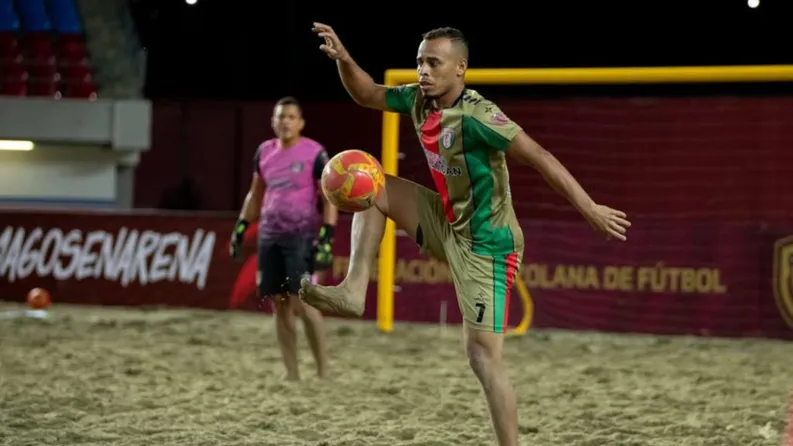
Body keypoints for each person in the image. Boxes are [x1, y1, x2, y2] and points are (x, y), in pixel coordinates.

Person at [301, 24, 632, 446]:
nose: (423, 71)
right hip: (448, 223)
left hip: (488, 249)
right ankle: (353, 290)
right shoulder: (418, 100)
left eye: (433, 63)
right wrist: (344, 58)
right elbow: (367, 93)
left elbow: (541, 157)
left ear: (460, 68)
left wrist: (590, 209)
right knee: (370, 182)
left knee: (482, 357)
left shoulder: (479, 116)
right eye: (419, 62)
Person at [230, 96, 338, 381]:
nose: (285, 122)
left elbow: (328, 197)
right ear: (272, 122)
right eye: (281, 117)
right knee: (278, 304)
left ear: (301, 123)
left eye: (291, 117)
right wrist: (241, 227)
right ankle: (292, 374)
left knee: (303, 303)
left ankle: (323, 371)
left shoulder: (315, 153)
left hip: (301, 237)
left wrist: (327, 235)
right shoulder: (264, 152)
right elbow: (256, 194)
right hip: (269, 237)